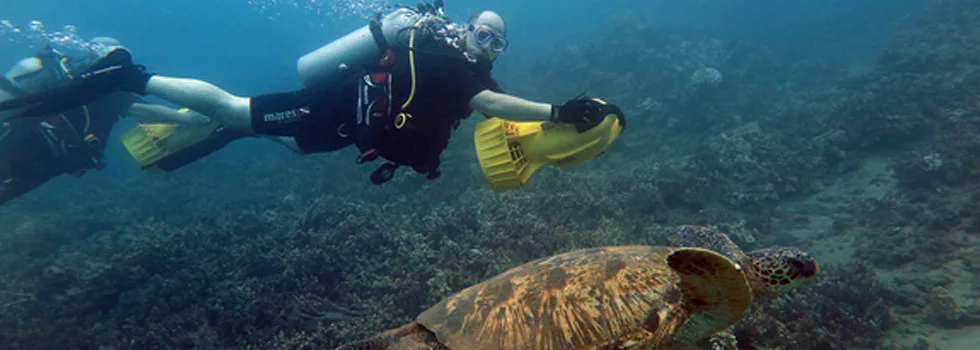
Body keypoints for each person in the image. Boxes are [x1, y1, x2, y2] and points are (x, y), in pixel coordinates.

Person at [0, 4, 625, 185]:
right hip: (334, 108)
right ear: (466, 31)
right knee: (233, 109)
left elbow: (496, 114)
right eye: (483, 34)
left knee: (282, 144)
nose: (488, 46)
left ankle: (215, 124)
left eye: (497, 42)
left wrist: (561, 130)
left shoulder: (468, 71)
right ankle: (127, 76)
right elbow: (493, 108)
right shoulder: (450, 61)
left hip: (346, 131)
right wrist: (559, 111)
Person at [0, 37, 209, 205]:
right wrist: (185, 118)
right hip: (38, 149)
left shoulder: (74, 76)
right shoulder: (104, 84)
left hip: (30, 143)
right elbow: (141, 110)